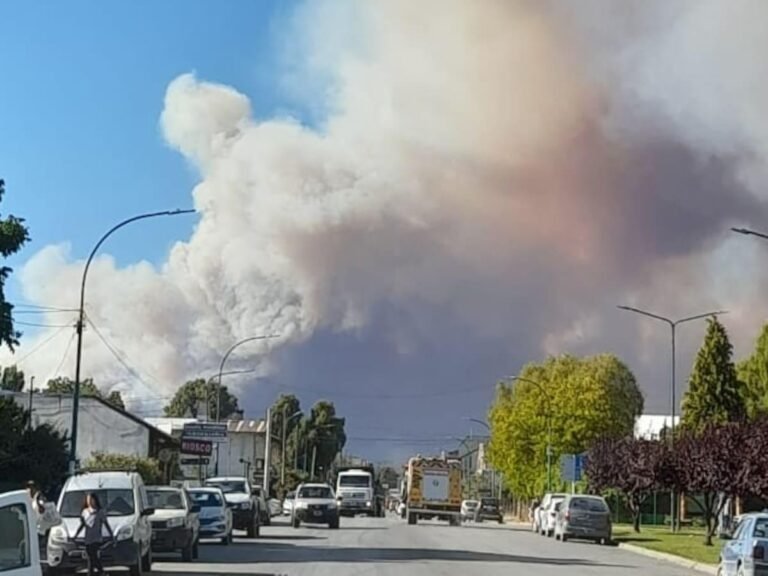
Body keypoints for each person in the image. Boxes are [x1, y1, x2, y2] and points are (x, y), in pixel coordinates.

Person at [74, 493, 114, 576]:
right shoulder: (85, 512)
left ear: (95, 500)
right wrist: (76, 535)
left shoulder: (100, 512)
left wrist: (111, 535)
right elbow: (82, 525)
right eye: (88, 500)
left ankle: (95, 572)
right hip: (88, 538)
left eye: (91, 499)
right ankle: (99, 572)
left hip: (96, 538)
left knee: (93, 555)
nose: (90, 501)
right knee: (91, 558)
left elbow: (106, 524)